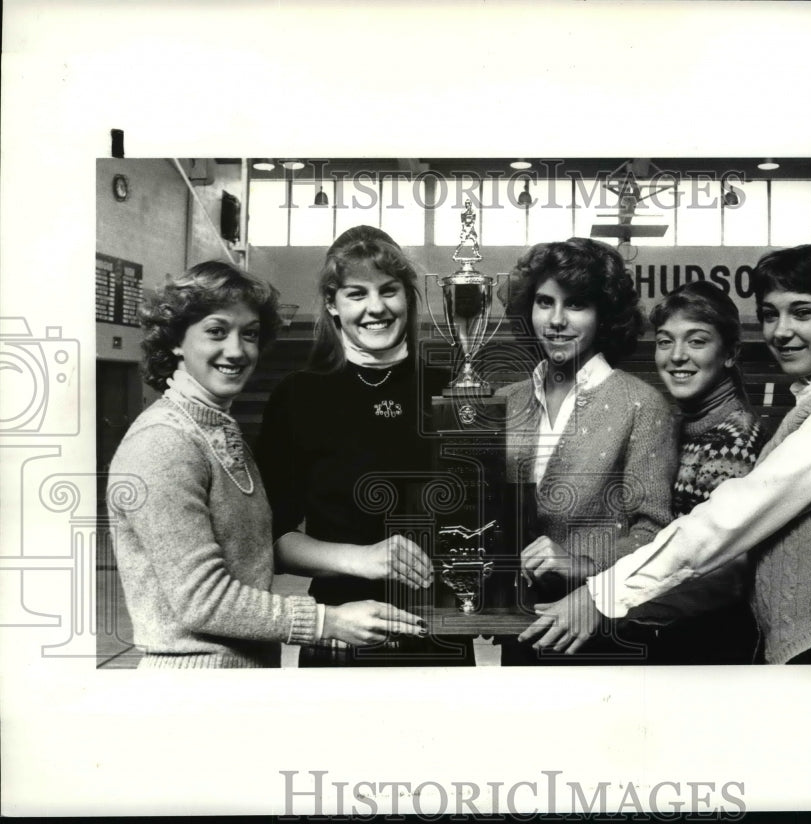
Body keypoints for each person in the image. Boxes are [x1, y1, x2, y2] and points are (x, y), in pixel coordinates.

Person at [521, 243, 811, 664]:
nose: (780, 330)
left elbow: (729, 521)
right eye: (771, 314)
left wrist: (602, 595)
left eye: (803, 312)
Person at [108, 261, 426, 669]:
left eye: (250, 334)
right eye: (217, 332)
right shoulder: (163, 442)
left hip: (243, 674)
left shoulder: (219, 433)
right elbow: (201, 601)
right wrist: (327, 621)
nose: (237, 350)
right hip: (192, 683)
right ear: (174, 341)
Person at [255, 226, 468, 666]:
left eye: (389, 290)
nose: (376, 308)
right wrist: (363, 559)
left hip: (439, 631)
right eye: (356, 294)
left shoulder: (453, 389)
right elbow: (272, 540)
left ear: (407, 297)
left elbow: (482, 523)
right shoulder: (298, 396)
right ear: (332, 304)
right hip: (343, 626)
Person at [499, 237, 677, 663]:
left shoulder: (641, 404)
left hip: (598, 634)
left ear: (604, 316)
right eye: (544, 303)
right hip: (518, 629)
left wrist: (580, 560)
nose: (556, 320)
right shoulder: (504, 401)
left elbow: (654, 533)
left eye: (576, 304)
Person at [626, 281, 766, 664]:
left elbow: (716, 567)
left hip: (709, 639)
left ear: (730, 353)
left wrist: (611, 606)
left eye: (696, 341)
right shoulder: (677, 425)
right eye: (665, 341)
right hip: (671, 623)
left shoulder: (733, 438)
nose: (676, 356)